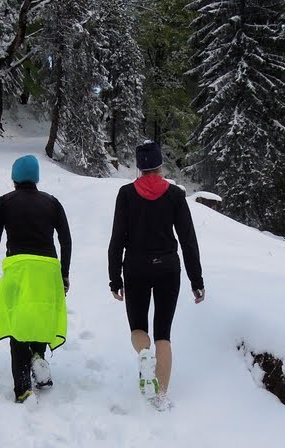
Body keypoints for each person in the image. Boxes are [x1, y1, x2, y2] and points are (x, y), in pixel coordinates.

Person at [107, 141, 205, 409]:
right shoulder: (175, 195)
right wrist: (196, 280)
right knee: (163, 333)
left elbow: (117, 239)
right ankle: (160, 397)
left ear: (139, 167)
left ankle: (144, 353)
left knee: (138, 328)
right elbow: (188, 240)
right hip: (168, 268)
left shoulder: (126, 194)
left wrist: (114, 278)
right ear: (160, 165)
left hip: (136, 267)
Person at [0, 154, 72, 404]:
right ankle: (37, 358)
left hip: (19, 267)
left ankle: (23, 387)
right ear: (36, 178)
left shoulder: (4, 202)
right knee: (39, 316)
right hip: (48, 268)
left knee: (17, 323)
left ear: (14, 178)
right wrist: (64, 273)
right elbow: (66, 240)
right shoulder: (52, 203)